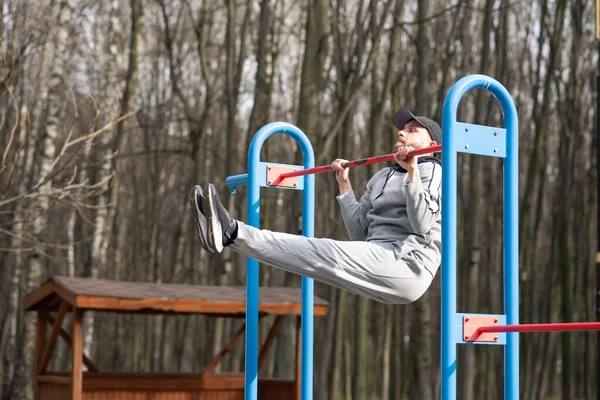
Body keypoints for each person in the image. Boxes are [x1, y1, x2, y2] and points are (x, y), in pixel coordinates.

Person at [190, 108, 442, 304]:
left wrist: (413, 173)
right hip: (379, 257)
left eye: (412, 130)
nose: (401, 133)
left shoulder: (432, 170)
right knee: (310, 261)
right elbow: (360, 233)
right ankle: (229, 236)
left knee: (322, 249)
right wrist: (344, 185)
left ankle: (232, 231)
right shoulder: (381, 177)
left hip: (409, 264)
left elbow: (421, 224)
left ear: (431, 146)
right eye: (402, 129)